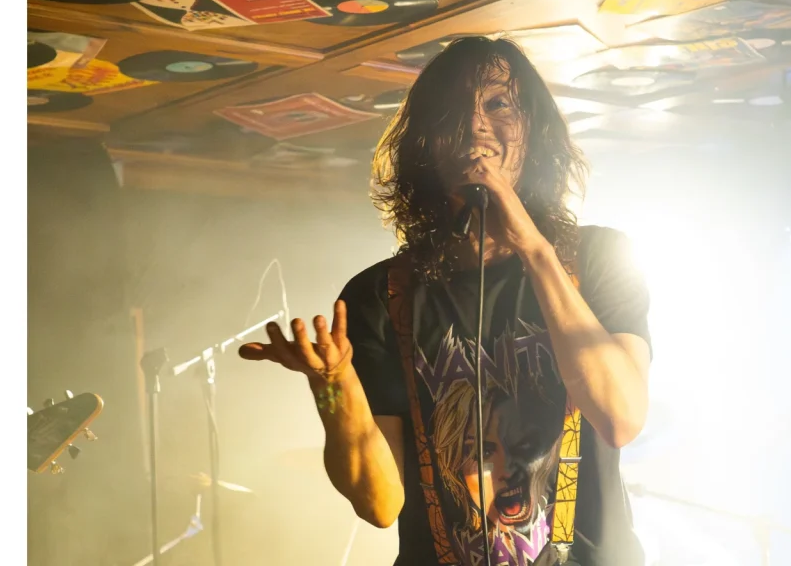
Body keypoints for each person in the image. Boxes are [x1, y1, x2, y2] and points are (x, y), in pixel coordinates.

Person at [240, 36, 652, 566]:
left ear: (533, 131)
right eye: (452, 112)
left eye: (498, 104)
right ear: (427, 145)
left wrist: (532, 246)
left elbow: (619, 418)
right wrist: (332, 386)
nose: (475, 125)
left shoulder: (597, 259)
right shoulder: (379, 296)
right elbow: (380, 504)